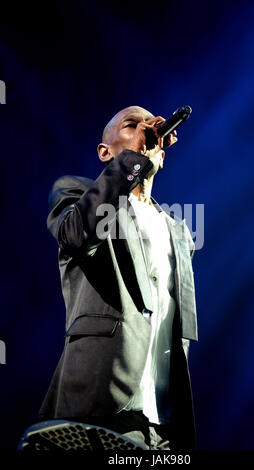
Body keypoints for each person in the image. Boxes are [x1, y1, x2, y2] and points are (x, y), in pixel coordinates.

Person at [39, 106, 198, 450]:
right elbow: (76, 235)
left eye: (149, 124)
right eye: (131, 125)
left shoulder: (179, 232)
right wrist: (132, 162)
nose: (144, 129)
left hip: (163, 424)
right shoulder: (75, 194)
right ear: (105, 151)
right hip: (101, 409)